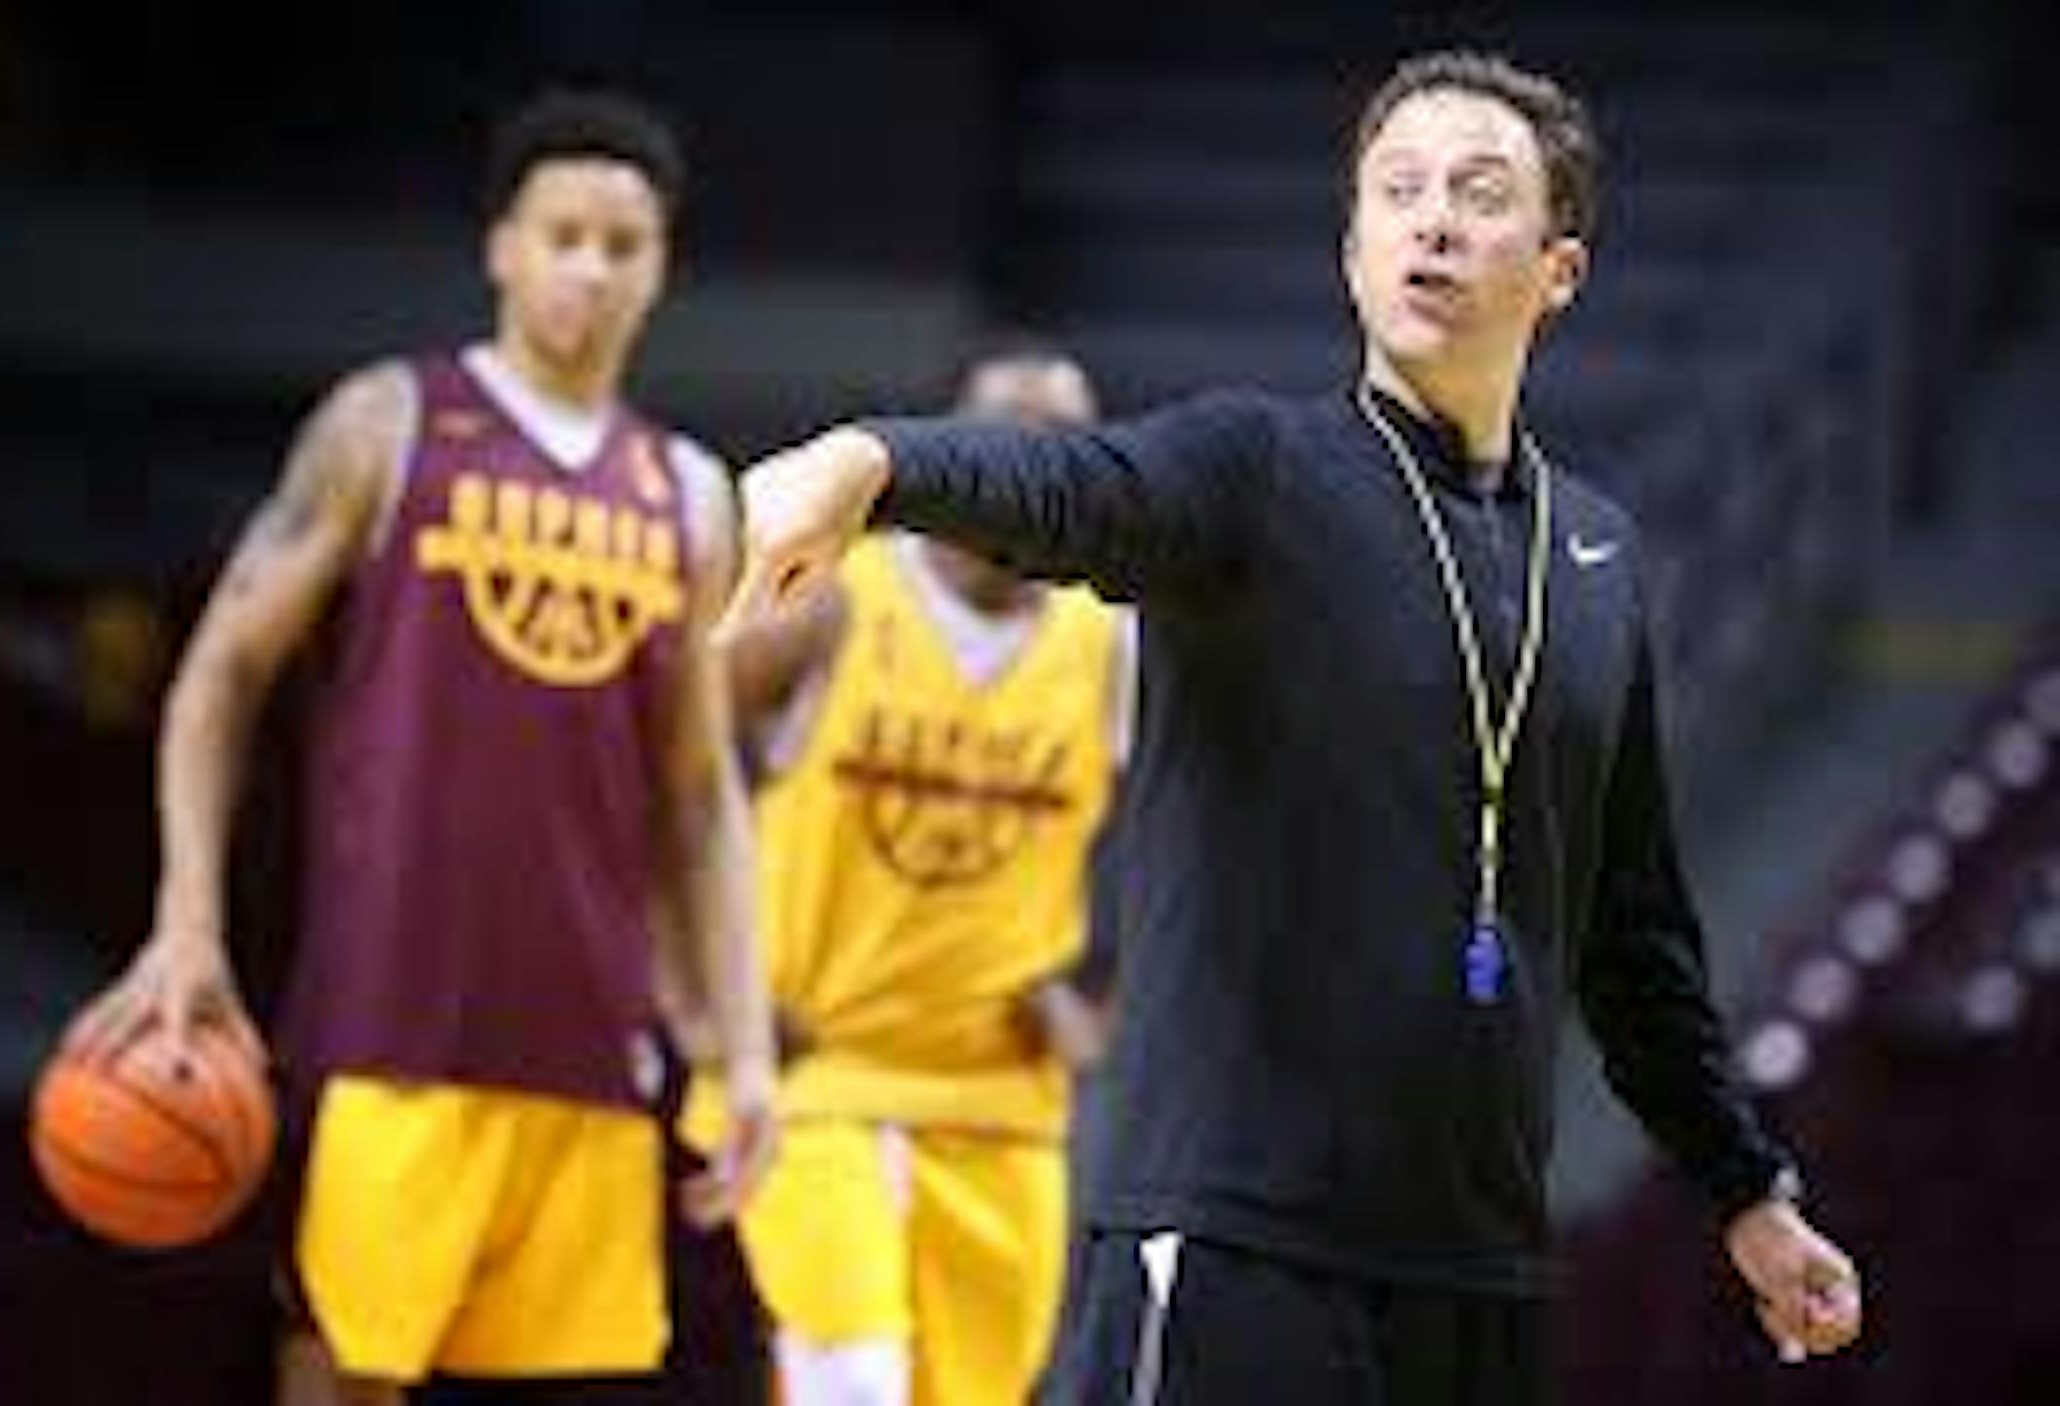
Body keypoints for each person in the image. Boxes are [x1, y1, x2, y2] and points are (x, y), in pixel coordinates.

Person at [718, 49, 1863, 1406]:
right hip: (1231, 1241)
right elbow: (1072, 485)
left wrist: (1748, 1189)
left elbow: (1634, 936)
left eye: (1479, 192)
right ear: (1352, 252)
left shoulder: (1597, 556)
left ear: (1560, 270)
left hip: (1478, 1269)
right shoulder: (1252, 471)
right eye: (1400, 189)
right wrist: (870, 463)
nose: (1434, 220)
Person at [61, 89, 777, 1405]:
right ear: (501, 246)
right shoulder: (389, 424)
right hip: (391, 1021)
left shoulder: (688, 490)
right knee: (342, 1375)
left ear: (661, 267)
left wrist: (747, 1041)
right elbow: (219, 674)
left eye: (622, 244)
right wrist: (186, 922)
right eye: (562, 235)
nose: (589, 268)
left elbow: (701, 790)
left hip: (591, 1041)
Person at [684, 344, 1124, 1406]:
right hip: (818, 1077)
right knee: (853, 1382)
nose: (1028, 470)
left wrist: (1107, 1002)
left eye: (1060, 448)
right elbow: (673, 776)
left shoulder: (1112, 645)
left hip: (999, 1102)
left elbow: (1205, 836)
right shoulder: (834, 598)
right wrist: (701, 1003)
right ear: (952, 455)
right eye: (1004, 443)